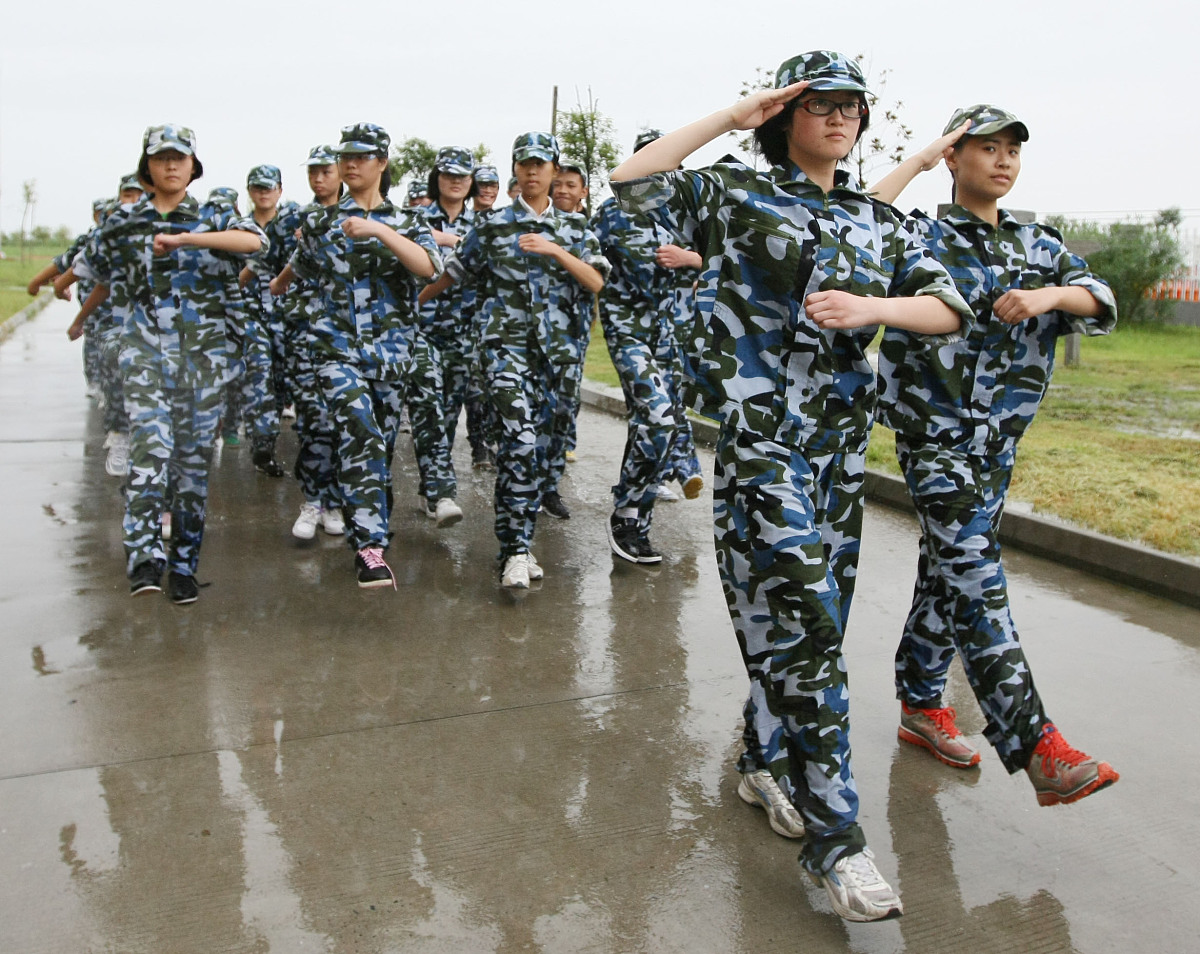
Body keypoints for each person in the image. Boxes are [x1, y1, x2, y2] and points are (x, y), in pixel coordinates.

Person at [609, 51, 972, 922]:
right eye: (821, 104)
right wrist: (732, 116)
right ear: (785, 115)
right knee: (806, 624)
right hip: (760, 444)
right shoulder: (733, 193)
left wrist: (874, 309)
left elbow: (947, 307)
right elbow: (629, 181)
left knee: (805, 634)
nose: (840, 118)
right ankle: (837, 844)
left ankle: (762, 761)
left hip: (839, 456)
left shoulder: (871, 218)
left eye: (853, 106)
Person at [869, 105, 1120, 805]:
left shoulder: (1040, 243)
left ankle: (922, 705)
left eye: (1013, 149)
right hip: (937, 437)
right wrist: (922, 155)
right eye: (986, 147)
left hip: (997, 446)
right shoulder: (917, 235)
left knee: (945, 571)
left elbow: (1100, 300)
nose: (1003, 160)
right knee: (975, 575)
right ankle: (1037, 742)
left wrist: (1049, 295)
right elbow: (859, 216)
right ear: (955, 156)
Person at [72, 123, 265, 603]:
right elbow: (97, 273)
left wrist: (188, 241)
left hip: (202, 361)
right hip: (145, 357)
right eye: (161, 158)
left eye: (180, 158)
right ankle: (142, 559)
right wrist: (81, 318)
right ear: (148, 166)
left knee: (192, 468)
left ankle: (182, 566)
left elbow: (256, 246)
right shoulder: (123, 224)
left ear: (194, 166)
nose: (171, 165)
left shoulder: (215, 215)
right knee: (150, 454)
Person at [420, 132, 607, 589]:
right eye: (523, 163)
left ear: (554, 169)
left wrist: (556, 250)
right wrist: (415, 304)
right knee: (519, 443)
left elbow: (597, 282)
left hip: (559, 360)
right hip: (505, 352)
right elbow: (454, 274)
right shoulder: (492, 225)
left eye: (540, 163)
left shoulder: (578, 230)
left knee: (543, 454)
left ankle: (522, 541)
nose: (531, 170)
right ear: (515, 169)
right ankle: (515, 551)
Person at [274, 123, 440, 588]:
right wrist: (289, 302)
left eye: (362, 157)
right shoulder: (319, 222)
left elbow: (428, 269)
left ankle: (369, 528)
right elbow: (299, 272)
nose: (350, 164)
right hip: (335, 350)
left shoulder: (407, 221)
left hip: (390, 354)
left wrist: (379, 231)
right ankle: (369, 548)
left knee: (377, 447)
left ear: (382, 163)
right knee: (360, 428)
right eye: (345, 156)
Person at [593, 132, 704, 562]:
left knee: (655, 425)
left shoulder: (687, 212)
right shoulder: (610, 212)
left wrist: (689, 259)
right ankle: (625, 512)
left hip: (671, 334)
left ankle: (638, 520)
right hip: (629, 333)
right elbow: (582, 257)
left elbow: (725, 257)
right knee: (657, 420)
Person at [271, 145, 346, 541]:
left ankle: (334, 501)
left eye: (326, 171)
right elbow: (270, 261)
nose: (319, 178)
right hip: (304, 331)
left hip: (346, 335)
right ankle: (314, 499)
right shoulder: (294, 218)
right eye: (313, 172)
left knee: (341, 423)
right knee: (313, 420)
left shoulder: (357, 216)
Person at [408, 146, 480, 528]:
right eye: (449, 174)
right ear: (437, 178)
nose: (455, 181)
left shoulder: (483, 224)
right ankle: (442, 491)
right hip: (419, 328)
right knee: (427, 406)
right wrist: (445, 240)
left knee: (448, 415)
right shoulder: (414, 219)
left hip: (463, 333)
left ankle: (428, 486)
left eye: (463, 176)